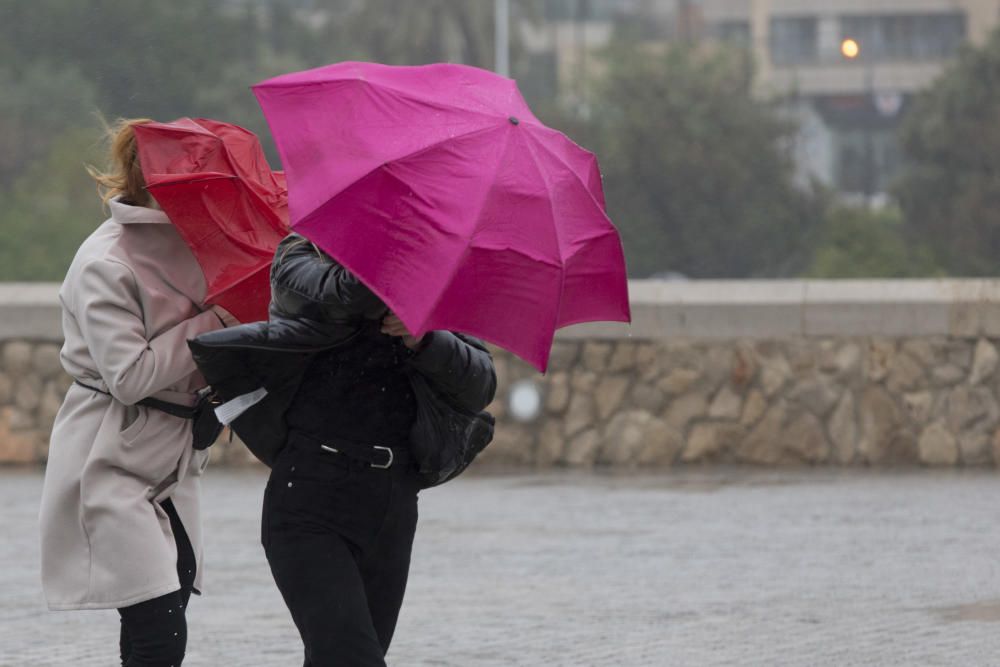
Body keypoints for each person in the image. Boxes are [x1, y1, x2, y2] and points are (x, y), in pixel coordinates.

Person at [189, 234, 497, 666]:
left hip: (392, 502)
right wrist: (398, 276)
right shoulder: (300, 253)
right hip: (310, 496)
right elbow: (334, 295)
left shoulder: (432, 277)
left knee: (339, 656)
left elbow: (481, 383)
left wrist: (424, 337)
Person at [38, 118, 238, 666]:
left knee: (171, 598)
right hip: (110, 454)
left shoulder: (208, 247)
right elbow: (129, 375)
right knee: (156, 618)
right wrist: (218, 321)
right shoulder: (105, 263)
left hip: (174, 454)